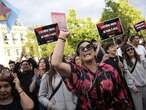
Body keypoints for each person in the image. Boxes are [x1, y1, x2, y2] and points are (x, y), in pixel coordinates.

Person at [51, 31, 133, 110]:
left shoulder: (108, 68)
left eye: (88, 47)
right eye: (82, 49)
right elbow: (56, 63)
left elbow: (121, 93)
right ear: (79, 56)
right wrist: (62, 36)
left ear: (94, 52)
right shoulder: (78, 73)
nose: (86, 50)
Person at [122, 44, 146, 110]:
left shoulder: (140, 58)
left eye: (131, 48)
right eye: (128, 50)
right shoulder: (125, 62)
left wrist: (143, 59)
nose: (130, 50)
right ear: (126, 52)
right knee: (139, 107)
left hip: (145, 85)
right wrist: (132, 86)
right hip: (136, 88)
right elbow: (127, 76)